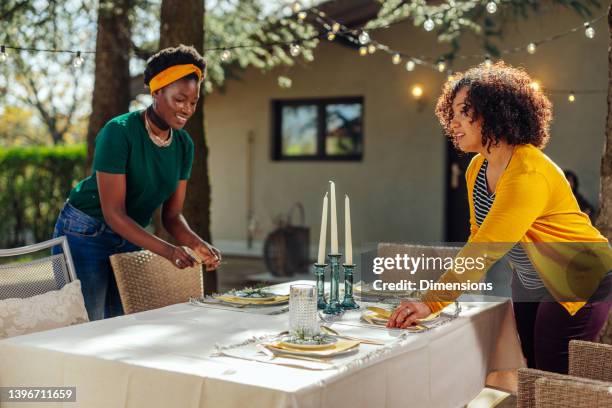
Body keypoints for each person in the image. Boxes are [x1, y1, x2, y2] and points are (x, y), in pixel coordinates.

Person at [388, 61, 612, 374]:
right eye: (450, 113)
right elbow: (478, 235)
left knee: (551, 373)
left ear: (495, 112)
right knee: (531, 368)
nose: (453, 123)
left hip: (579, 277)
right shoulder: (477, 168)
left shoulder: (527, 173)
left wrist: (432, 300)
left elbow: (487, 246)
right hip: (530, 280)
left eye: (463, 111)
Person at [53, 44, 221, 320]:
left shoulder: (184, 145)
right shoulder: (118, 132)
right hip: (85, 231)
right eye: (179, 99)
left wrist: (197, 243)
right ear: (156, 92)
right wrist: (169, 251)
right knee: (85, 323)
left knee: (122, 321)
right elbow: (113, 213)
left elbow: (172, 215)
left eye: (193, 102)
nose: (187, 109)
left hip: (128, 233)